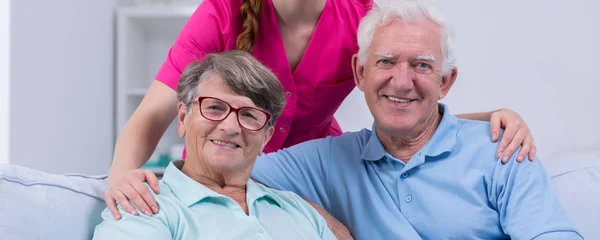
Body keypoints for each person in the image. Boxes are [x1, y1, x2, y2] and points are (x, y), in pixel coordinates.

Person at [107, 0, 537, 223]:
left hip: (313, 174)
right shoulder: (223, 11)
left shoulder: (360, 16)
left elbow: (406, 96)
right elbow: (153, 113)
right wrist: (120, 175)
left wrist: (494, 117)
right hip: (238, 165)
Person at [249, 1, 582, 238]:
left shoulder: (505, 152)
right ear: (360, 73)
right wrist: (321, 220)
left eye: (422, 65)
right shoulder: (329, 161)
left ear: (445, 82)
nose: (402, 81)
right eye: (386, 62)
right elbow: (222, 173)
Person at [93, 51, 336, 239]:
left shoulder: (298, 210)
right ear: (182, 118)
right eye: (214, 108)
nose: (231, 127)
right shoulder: (145, 207)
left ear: (266, 138)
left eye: (249, 115)